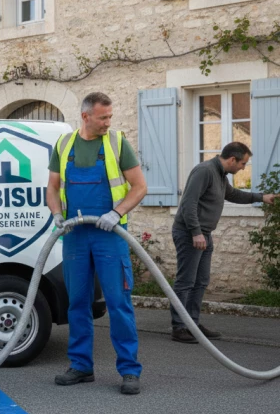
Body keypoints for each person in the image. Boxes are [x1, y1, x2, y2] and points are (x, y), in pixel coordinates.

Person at [46, 92, 148, 395]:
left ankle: (129, 370)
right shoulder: (64, 145)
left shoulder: (117, 143)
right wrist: (56, 215)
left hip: (110, 236)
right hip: (75, 236)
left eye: (110, 117)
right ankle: (80, 366)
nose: (108, 122)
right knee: (77, 303)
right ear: (86, 116)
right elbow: (51, 188)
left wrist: (116, 213)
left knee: (118, 304)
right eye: (103, 117)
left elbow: (139, 187)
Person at [170, 142, 278, 343]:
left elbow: (233, 195)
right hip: (190, 234)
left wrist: (262, 197)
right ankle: (179, 327)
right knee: (186, 281)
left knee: (201, 281)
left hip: (204, 234)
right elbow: (188, 204)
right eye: (243, 164)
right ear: (232, 160)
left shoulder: (220, 175)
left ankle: (192, 323)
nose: (243, 168)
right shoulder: (205, 171)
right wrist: (195, 232)